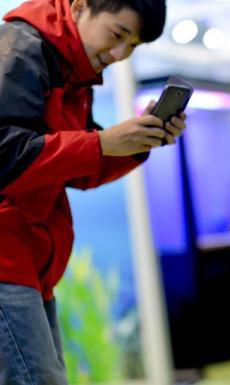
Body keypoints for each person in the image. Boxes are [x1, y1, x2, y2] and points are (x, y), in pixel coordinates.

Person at [0, 0, 185, 383]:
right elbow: (5, 155)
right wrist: (100, 143)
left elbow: (73, 173)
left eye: (132, 46)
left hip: (32, 261)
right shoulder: (21, 49)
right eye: (117, 35)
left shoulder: (72, 71)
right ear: (81, 5)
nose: (119, 54)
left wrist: (135, 143)